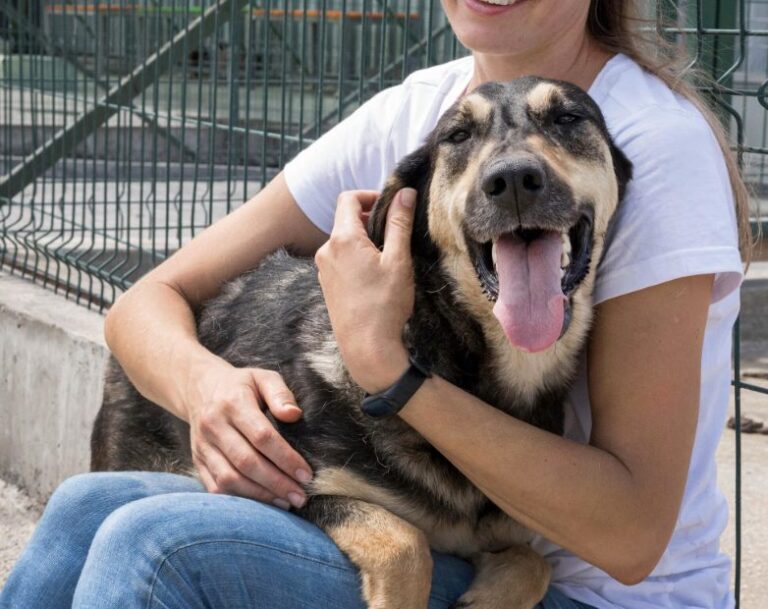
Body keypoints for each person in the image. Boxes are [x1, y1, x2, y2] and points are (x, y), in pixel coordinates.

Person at [0, 1, 751, 608]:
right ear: (412, 204)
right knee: (81, 511)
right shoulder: (419, 113)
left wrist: (391, 374)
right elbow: (143, 302)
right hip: (448, 535)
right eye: (469, 142)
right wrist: (207, 390)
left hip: (605, 594)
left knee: (154, 545)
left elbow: (629, 538)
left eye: (562, 125)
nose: (513, 168)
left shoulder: (658, 144)